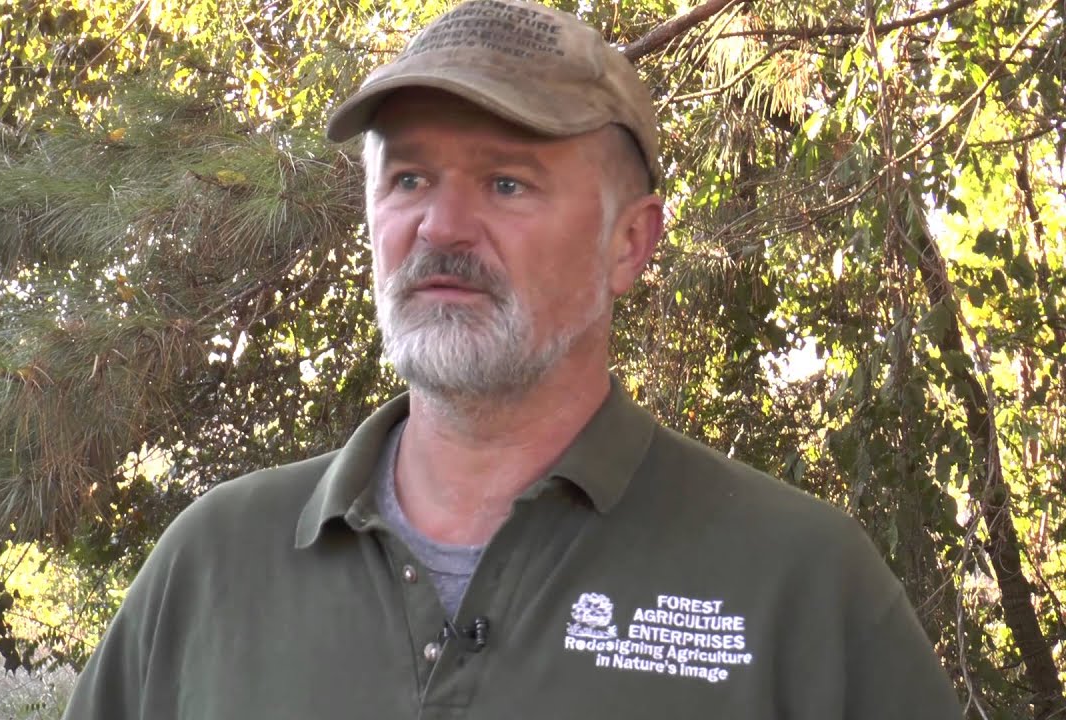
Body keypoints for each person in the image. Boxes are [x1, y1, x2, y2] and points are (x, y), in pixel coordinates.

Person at [62, 1, 964, 717]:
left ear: (630, 243)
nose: (441, 227)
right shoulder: (215, 563)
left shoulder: (797, 585)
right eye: (409, 179)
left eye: (506, 183)